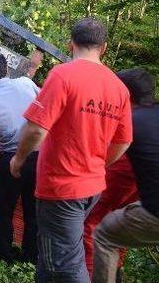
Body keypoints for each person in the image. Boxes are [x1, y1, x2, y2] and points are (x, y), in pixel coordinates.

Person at [9, 17, 133, 282]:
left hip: (62, 186)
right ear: (104, 48)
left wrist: (18, 159)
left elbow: (36, 129)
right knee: (51, 252)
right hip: (92, 187)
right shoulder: (119, 89)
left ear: (70, 43)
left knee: (65, 265)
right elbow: (123, 141)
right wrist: (99, 164)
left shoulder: (64, 74)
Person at [92, 68, 159, 283]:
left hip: (150, 208)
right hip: (142, 198)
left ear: (125, 94)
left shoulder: (131, 123)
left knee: (102, 232)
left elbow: (105, 169)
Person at [0, 52, 40, 263]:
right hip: (40, 157)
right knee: (34, 212)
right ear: (7, 69)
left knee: (3, 210)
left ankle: (2, 255)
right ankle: (31, 259)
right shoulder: (26, 84)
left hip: (9, 158)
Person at [82, 155, 137, 279]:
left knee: (94, 220)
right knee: (118, 222)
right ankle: (112, 272)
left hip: (125, 160)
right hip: (142, 157)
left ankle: (91, 275)